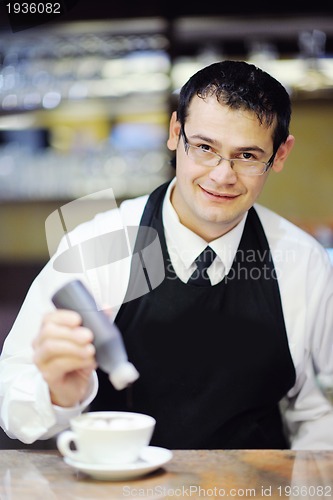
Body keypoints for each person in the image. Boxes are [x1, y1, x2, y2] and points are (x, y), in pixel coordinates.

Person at [0, 60, 332, 450]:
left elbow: (318, 412)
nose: (221, 175)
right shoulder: (99, 246)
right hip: (118, 487)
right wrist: (57, 394)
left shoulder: (302, 262)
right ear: (176, 133)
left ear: (279, 155)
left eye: (247, 156)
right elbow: (12, 404)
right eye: (205, 148)